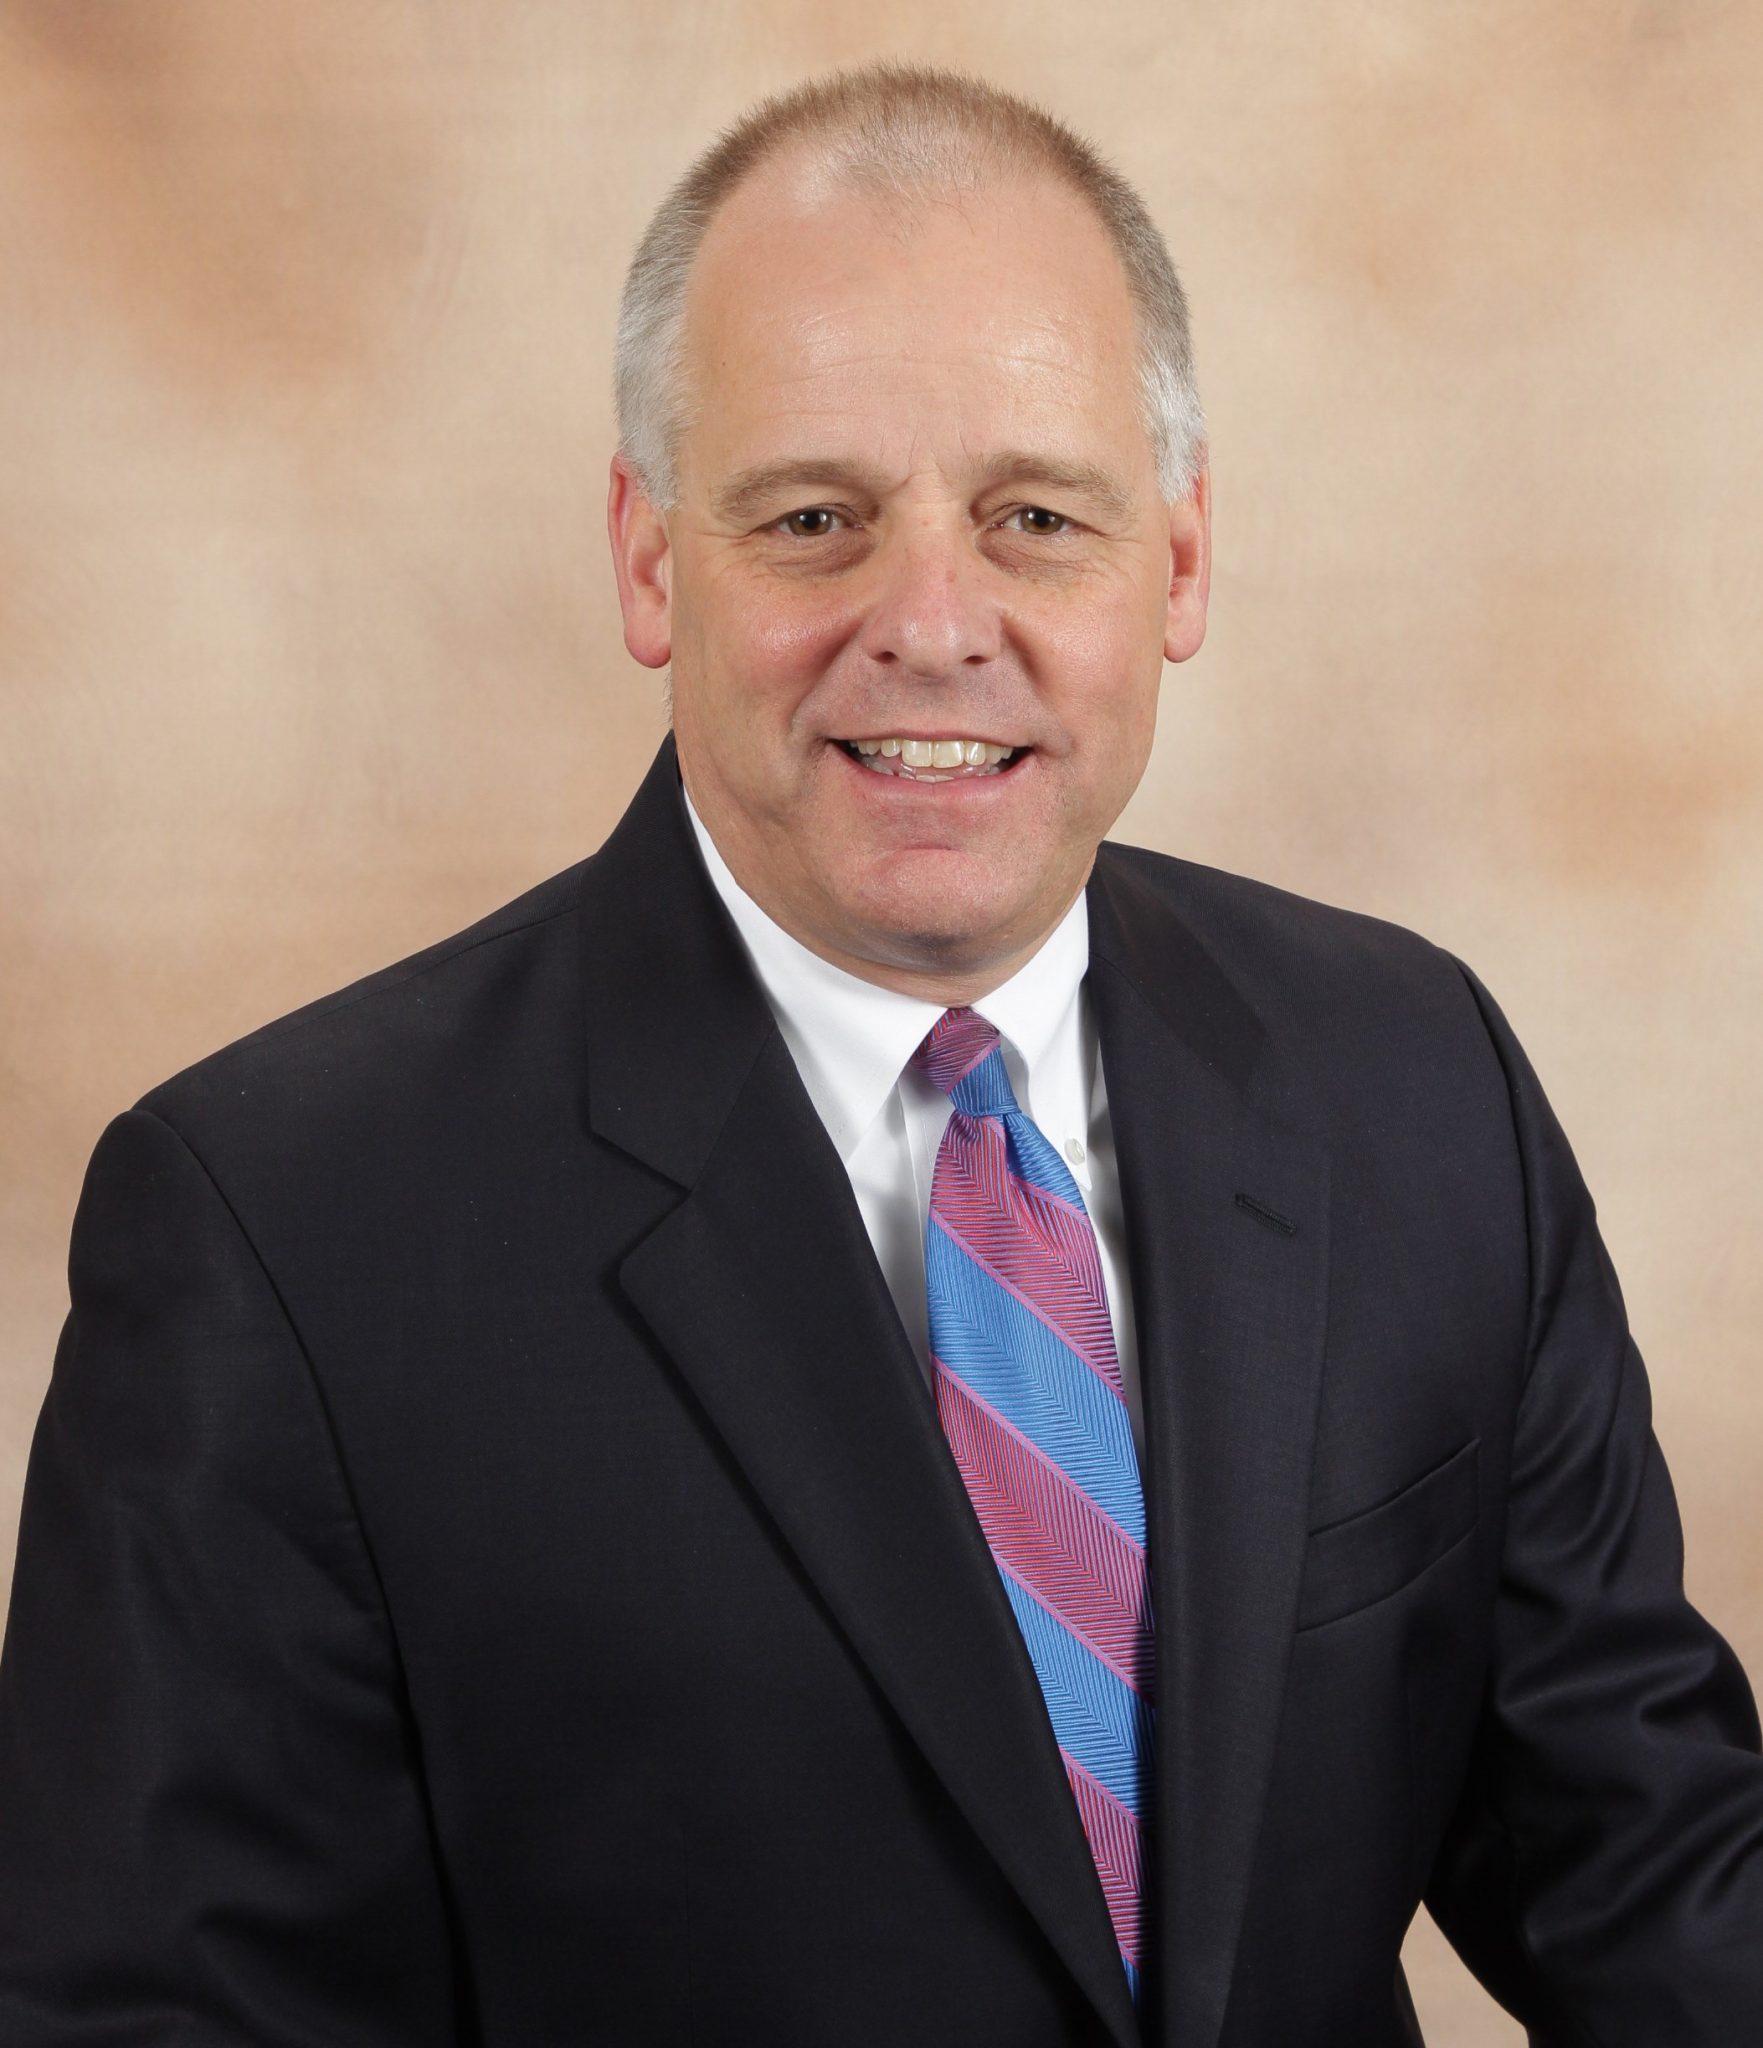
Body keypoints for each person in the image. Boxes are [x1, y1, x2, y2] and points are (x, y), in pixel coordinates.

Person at [1, 57, 1758, 2048]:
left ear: (1180, 562)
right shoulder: (279, 1236)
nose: (933, 622)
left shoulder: (1415, 1083)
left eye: (1037, 518)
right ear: (651, 557)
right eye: (816, 518)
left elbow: (1654, 1876)